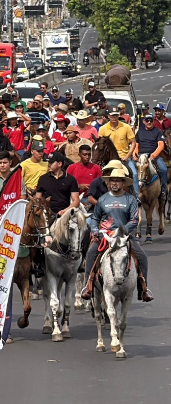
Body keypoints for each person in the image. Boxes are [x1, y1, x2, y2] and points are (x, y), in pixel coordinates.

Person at [81, 168, 153, 302]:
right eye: (112, 181)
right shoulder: (102, 199)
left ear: (123, 183)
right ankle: (88, 286)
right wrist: (95, 230)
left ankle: (143, 288)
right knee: (91, 253)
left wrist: (121, 231)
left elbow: (134, 220)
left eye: (117, 181)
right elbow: (96, 218)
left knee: (142, 257)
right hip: (105, 236)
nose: (114, 183)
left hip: (124, 236)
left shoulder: (130, 199)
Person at [133, 112, 167, 203]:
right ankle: (132, 192)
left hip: (153, 156)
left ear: (153, 121)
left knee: (163, 169)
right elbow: (136, 145)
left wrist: (153, 156)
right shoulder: (139, 132)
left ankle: (163, 190)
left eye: (150, 120)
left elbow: (161, 145)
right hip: (140, 155)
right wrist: (135, 155)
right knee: (131, 170)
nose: (149, 122)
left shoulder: (158, 131)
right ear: (143, 122)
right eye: (147, 120)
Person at [99, 107, 137, 181]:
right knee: (100, 176)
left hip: (123, 157)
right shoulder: (102, 129)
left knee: (134, 175)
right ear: (108, 116)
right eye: (112, 115)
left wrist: (127, 156)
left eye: (116, 115)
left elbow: (133, 142)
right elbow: (100, 145)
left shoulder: (126, 127)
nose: (114, 117)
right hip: (109, 159)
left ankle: (135, 192)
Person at [36, 152, 80, 217]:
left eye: (51, 163)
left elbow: (76, 201)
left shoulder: (70, 179)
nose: (48, 165)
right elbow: (38, 199)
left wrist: (65, 211)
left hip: (65, 214)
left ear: (59, 164)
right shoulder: (43, 179)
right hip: (46, 215)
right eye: (48, 162)